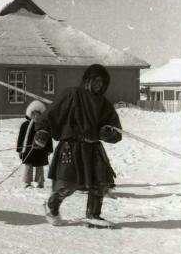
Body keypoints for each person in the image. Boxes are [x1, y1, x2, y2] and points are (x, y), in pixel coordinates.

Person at [33, 64, 122, 228]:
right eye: (95, 80)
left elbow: (115, 129)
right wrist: (42, 132)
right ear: (87, 80)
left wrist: (108, 132)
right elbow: (50, 114)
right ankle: (52, 205)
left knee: (100, 182)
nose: (98, 85)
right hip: (71, 146)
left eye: (102, 82)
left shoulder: (103, 103)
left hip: (93, 147)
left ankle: (93, 215)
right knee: (68, 184)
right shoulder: (72, 94)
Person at [17, 100, 52, 188]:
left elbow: (48, 138)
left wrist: (49, 149)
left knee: (39, 166)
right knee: (28, 165)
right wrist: (20, 149)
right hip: (28, 150)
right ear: (30, 114)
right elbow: (21, 138)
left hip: (41, 150)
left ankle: (40, 182)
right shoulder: (25, 125)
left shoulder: (44, 126)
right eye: (34, 114)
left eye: (38, 114)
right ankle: (27, 182)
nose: (36, 116)